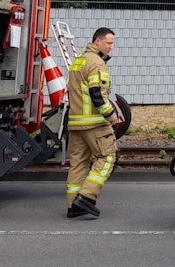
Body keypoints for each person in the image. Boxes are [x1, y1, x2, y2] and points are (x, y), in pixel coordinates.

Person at [65, 27, 120, 218]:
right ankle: (86, 198)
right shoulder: (97, 63)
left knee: (78, 164)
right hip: (95, 123)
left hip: (75, 123)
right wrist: (112, 116)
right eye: (109, 43)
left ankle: (73, 206)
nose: (111, 47)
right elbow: (98, 95)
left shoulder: (78, 61)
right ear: (97, 41)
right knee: (107, 158)